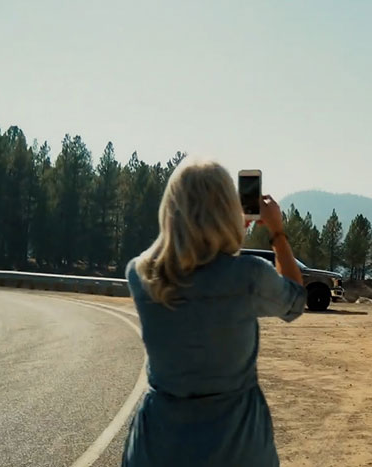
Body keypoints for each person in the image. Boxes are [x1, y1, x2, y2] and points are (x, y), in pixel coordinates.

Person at [122, 158, 306, 467]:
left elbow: (192, 273)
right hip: (237, 447)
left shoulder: (140, 275)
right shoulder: (249, 277)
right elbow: (296, 300)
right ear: (227, 210)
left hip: (157, 446)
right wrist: (277, 233)